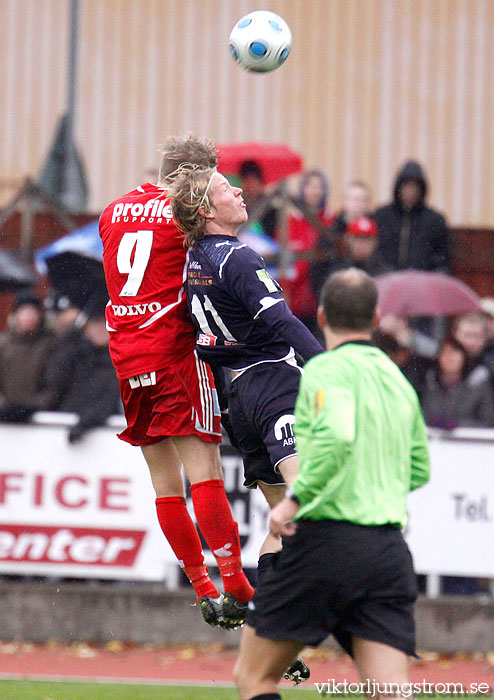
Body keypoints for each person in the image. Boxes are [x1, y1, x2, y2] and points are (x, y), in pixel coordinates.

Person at [234, 268, 431, 700]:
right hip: (387, 550)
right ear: (376, 318)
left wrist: (294, 501)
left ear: (320, 317)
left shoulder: (323, 370)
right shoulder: (399, 382)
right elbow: (419, 469)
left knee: (254, 678)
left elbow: (337, 435)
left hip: (327, 544)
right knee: (390, 692)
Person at [167, 164, 324, 684]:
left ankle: (265, 635)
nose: (238, 191)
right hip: (275, 384)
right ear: (207, 210)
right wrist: (332, 370)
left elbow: (202, 339)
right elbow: (282, 320)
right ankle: (291, 624)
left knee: (285, 517)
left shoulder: (193, 262)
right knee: (310, 508)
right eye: (224, 189)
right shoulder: (237, 256)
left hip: (238, 399)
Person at [98, 134, 253, 629]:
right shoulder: (186, 218)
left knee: (164, 484)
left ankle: (202, 588)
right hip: (175, 350)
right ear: (194, 180)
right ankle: (237, 585)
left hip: (127, 354)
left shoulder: (112, 211)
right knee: (203, 469)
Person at [46, 298, 123, 443]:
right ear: (86, 328)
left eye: (104, 324)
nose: (100, 329)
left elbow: (109, 402)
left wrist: (86, 423)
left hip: (105, 438)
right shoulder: (75, 355)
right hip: (64, 428)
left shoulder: (119, 363)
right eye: (95, 324)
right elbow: (55, 383)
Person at [280, 169, 333, 332]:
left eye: (319, 187)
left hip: (319, 298)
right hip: (292, 298)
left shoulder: (330, 223)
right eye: (310, 186)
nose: (314, 191)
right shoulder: (289, 222)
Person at [374, 160, 452, 272]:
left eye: (415, 187)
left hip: (423, 281)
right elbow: (373, 253)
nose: (410, 191)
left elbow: (442, 258)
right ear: (398, 188)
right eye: (406, 186)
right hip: (386, 278)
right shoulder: (382, 216)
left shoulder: (435, 220)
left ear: (422, 190)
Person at [0, 290, 58, 422]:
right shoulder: (3, 345)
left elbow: (54, 386)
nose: (29, 317)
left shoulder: (51, 346)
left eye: (33, 312)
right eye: (25, 312)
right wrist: (5, 407)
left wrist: (31, 407)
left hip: (37, 418)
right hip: (4, 418)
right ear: (16, 315)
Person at [421, 336, 494, 429]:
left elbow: (487, 422)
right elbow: (423, 417)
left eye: (455, 352)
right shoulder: (430, 384)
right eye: (445, 352)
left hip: (469, 441)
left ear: (464, 357)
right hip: (436, 440)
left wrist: (457, 426)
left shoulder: (479, 386)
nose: (450, 357)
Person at [238, 160, 278, 238]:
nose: (249, 186)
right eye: (246, 180)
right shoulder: (238, 206)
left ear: (260, 183)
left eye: (252, 181)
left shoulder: (270, 209)